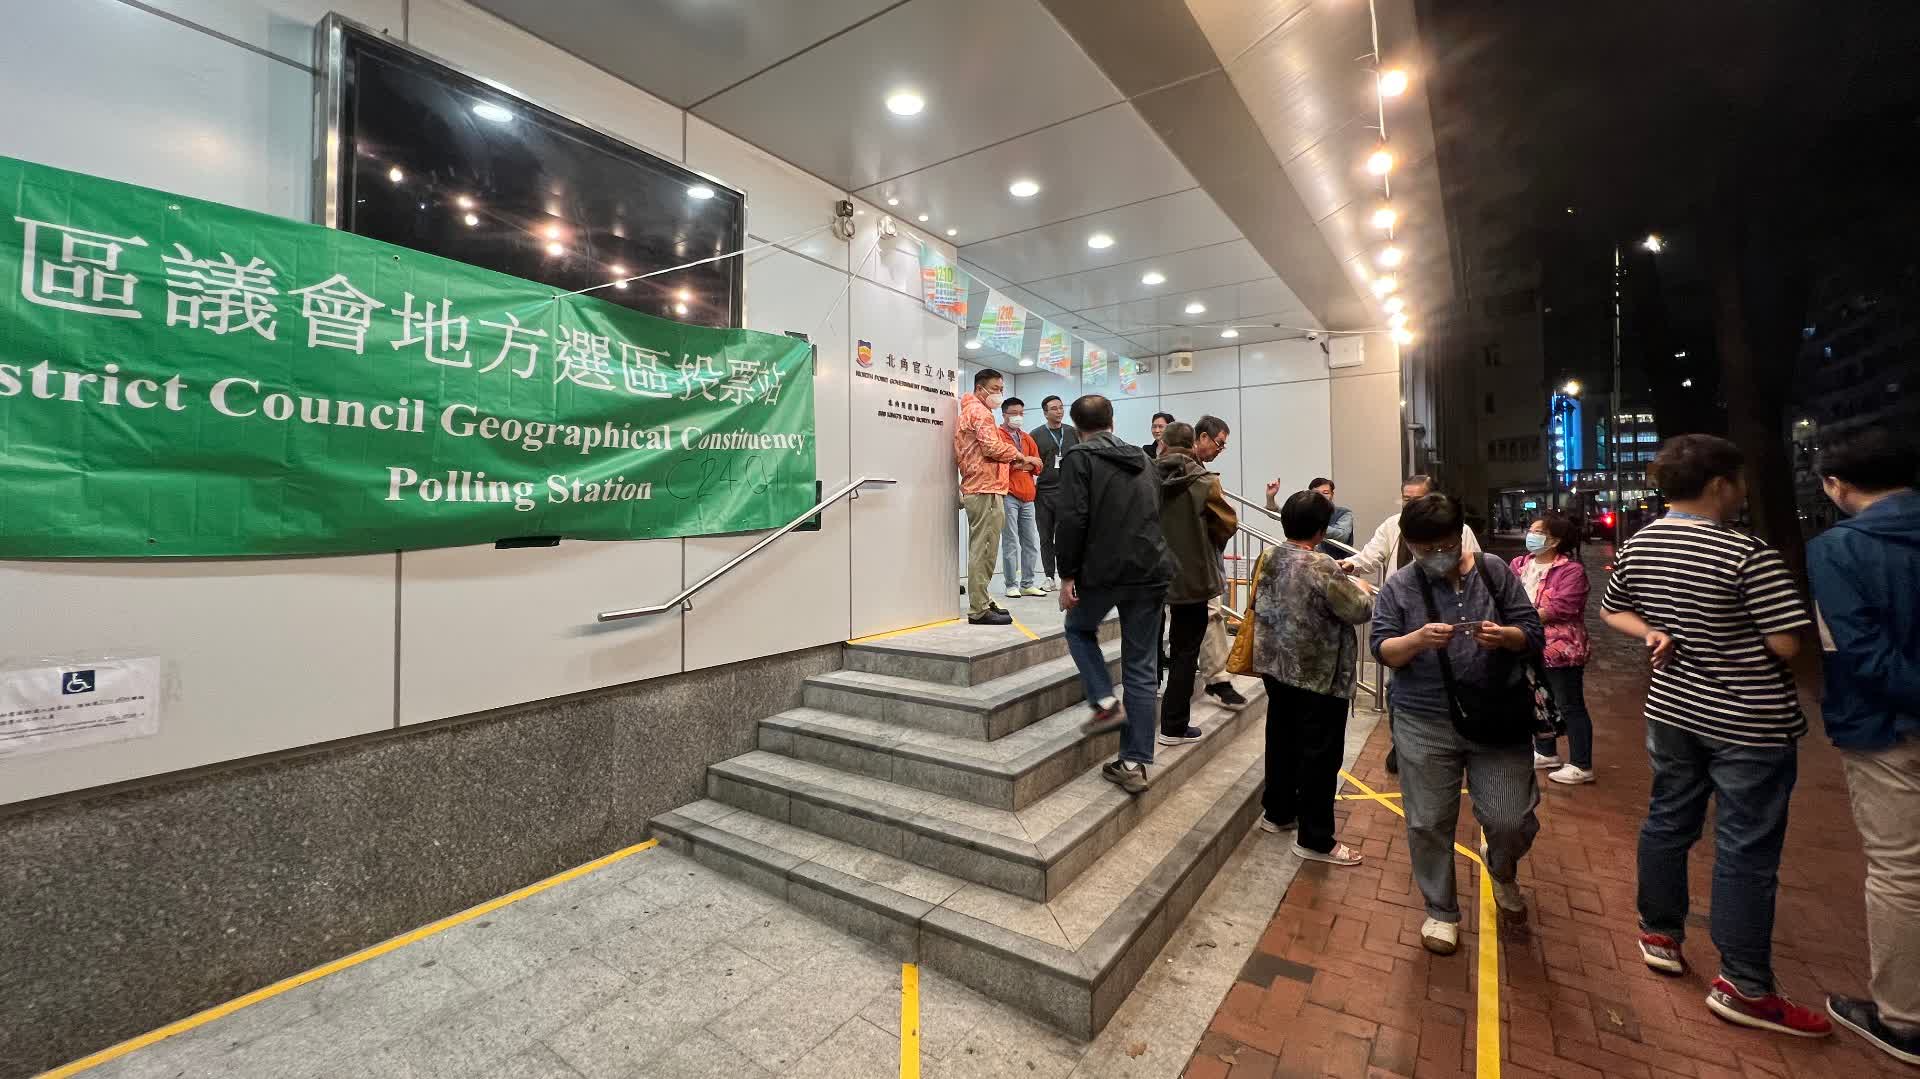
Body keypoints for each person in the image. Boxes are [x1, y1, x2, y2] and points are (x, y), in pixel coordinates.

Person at [1600, 434, 1830, 1039]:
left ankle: (1659, 933)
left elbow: (1612, 609)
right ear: (1721, 484)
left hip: (1672, 709)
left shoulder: (1642, 543)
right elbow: (1785, 643)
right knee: (1746, 848)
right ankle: (1746, 983)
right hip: (1749, 721)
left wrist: (1654, 631)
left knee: (1668, 819)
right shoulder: (1747, 554)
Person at [1371, 493, 1543, 956]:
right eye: (1423, 549)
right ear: (1409, 544)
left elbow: (1532, 631)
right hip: (1422, 717)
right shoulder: (1400, 586)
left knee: (1510, 820)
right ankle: (1441, 910)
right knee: (1428, 820)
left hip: (1497, 715)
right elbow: (1382, 648)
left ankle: (1501, 867)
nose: (1435, 556)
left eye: (1444, 545)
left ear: (1460, 536)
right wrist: (1415, 640)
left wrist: (1505, 637)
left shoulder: (1494, 572)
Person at [1806, 427, 1920, 1064]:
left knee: (1901, 870)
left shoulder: (1840, 548)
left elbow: (1856, 649)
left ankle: (1904, 1018)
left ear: (1836, 484)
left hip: (1884, 727)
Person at [1057, 394, 1176, 793]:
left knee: (1078, 628)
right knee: (1141, 666)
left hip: (1104, 570)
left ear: (1076, 426)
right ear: (1112, 421)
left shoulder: (1078, 457)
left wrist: (1067, 575)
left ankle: (1105, 703)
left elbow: (1072, 518)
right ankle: (1133, 761)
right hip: (1151, 568)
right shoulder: (1143, 458)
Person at [1253, 490, 1377, 866]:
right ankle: (1315, 838)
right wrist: (1362, 589)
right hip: (1317, 675)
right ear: (1321, 531)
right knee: (1320, 755)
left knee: (1281, 741)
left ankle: (1277, 813)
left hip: (1276, 666)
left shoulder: (1269, 556)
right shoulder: (1322, 565)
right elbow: (1359, 610)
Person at [1153, 423, 1239, 746]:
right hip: (1192, 576)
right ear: (1193, 444)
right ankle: (1173, 726)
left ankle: (1138, 730)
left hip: (1150, 574)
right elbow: (1227, 523)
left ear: (1162, 444)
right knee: (1184, 652)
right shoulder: (1204, 481)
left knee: (1145, 650)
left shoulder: (1144, 478)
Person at [1513, 510, 1596, 785]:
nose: (1531, 536)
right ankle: (1546, 752)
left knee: (1569, 704)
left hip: (1561, 649)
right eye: (1531, 530)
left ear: (1555, 540)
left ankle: (1582, 764)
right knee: (1538, 700)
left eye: (1538, 532)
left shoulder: (1571, 570)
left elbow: (1562, 607)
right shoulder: (1519, 564)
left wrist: (1521, 617)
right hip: (1526, 643)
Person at [956, 369, 1038, 626]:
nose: (999, 393)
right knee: (984, 549)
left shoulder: (973, 410)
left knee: (985, 548)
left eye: (1001, 388)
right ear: (980, 388)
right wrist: (1020, 455)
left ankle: (982, 599)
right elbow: (990, 447)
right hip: (985, 488)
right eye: (995, 388)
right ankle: (979, 609)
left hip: (984, 486)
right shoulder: (979, 412)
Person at [1190, 416, 1248, 709]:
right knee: (1209, 613)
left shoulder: (1199, 473)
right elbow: (1226, 520)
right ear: (1202, 437)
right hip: (1189, 561)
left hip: (1200, 558)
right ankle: (1215, 679)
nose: (1220, 450)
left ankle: (1217, 678)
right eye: (1219, 443)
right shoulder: (1194, 476)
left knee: (1211, 614)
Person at [1344, 474, 1482, 577]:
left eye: (1417, 500)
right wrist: (1351, 564)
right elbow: (1370, 555)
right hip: (1400, 597)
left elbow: (1474, 566)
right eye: (1406, 499)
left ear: (1433, 498)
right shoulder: (1391, 525)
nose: (1410, 505)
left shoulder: (1458, 529)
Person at [997, 397, 1046, 599]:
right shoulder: (997, 436)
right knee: (1010, 541)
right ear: (1004, 414)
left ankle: (1028, 583)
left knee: (1031, 542)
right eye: (1014, 413)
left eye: (1021, 413)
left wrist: (1022, 463)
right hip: (1008, 494)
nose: (1018, 416)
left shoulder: (1026, 438)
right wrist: (1027, 462)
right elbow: (1001, 465)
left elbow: (1039, 465)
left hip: (1028, 496)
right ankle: (1011, 584)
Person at [1030, 395, 1079, 592]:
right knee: (1045, 537)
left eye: (1060, 407)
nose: (1059, 411)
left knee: (1066, 538)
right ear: (1045, 413)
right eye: (1054, 408)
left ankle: (1067, 576)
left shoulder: (1073, 432)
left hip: (1068, 492)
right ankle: (1049, 577)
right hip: (1043, 493)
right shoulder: (1035, 435)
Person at [1270, 477, 1356, 558]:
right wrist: (1270, 497)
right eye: (1317, 494)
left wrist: (1311, 524)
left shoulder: (1344, 513)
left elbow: (1342, 535)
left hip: (1338, 562)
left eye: (1325, 493)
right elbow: (1282, 514)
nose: (1321, 497)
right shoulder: (1305, 509)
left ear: (1332, 494)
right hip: (1305, 559)